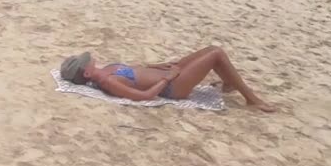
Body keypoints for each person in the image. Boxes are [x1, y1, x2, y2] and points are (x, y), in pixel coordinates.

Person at [58, 48, 275, 112]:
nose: (88, 60)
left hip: (167, 74)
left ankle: (229, 84)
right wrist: (167, 79)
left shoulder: (104, 71)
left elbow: (134, 72)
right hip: (173, 86)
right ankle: (251, 99)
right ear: (86, 73)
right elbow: (142, 96)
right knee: (216, 54)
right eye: (84, 62)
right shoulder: (107, 82)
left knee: (210, 48)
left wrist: (156, 66)